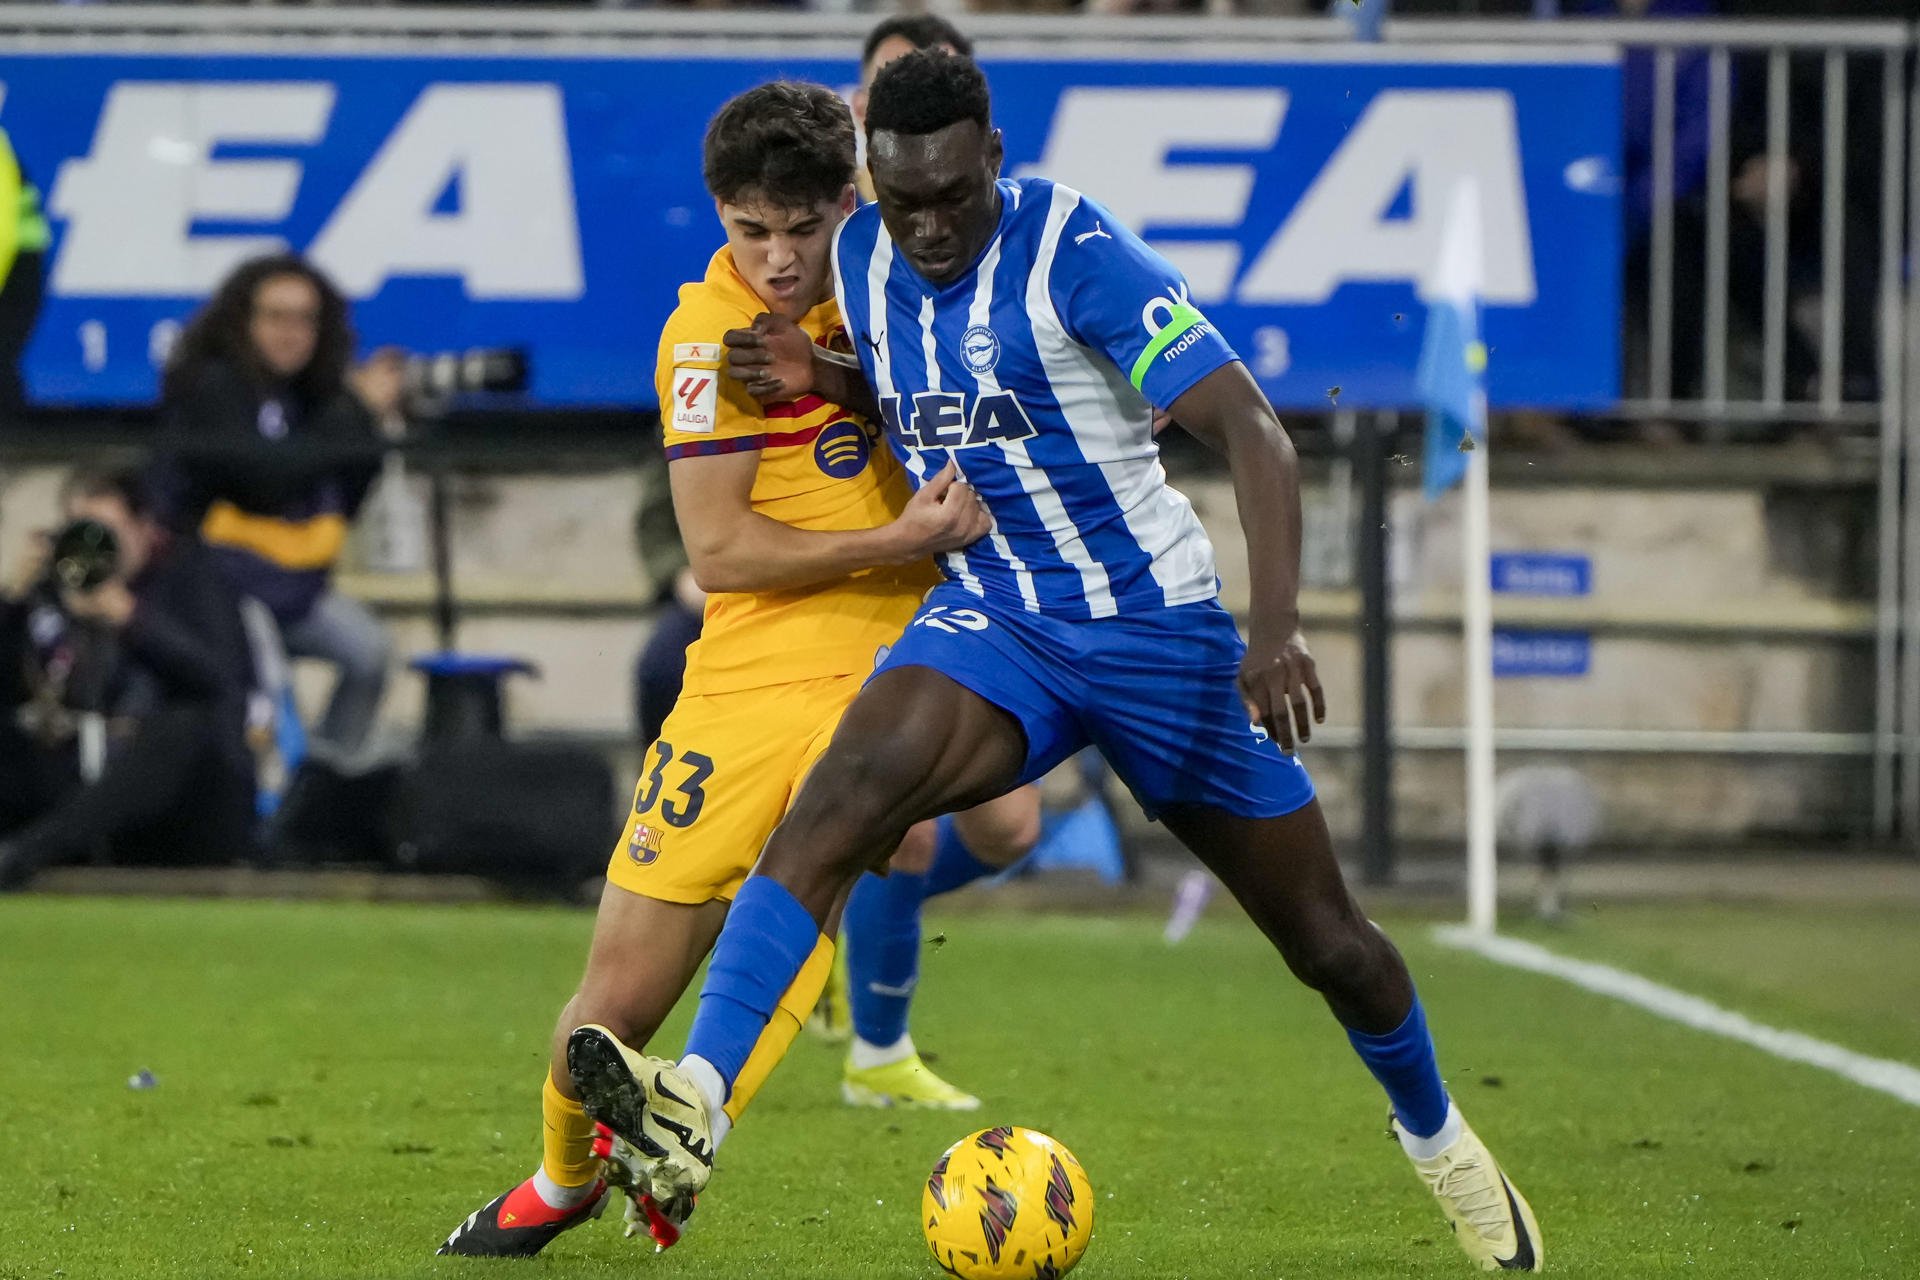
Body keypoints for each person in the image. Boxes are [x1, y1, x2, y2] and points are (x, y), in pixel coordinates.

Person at [567, 53, 1543, 1273]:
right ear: (876, 181)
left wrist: (1276, 627)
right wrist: (834, 378)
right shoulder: (862, 258)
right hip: (1002, 620)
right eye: (903, 199)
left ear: (994, 160)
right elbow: (931, 393)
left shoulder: (1075, 249)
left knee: (1328, 941)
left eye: (952, 199)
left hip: (1156, 635)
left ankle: (1440, 1136)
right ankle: (698, 1096)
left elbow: (1253, 429)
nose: (927, 227)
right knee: (840, 798)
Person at [437, 80, 999, 1259]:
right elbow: (719, 550)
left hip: (900, 658)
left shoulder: (905, 282)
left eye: (804, 228)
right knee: (614, 998)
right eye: (754, 231)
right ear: (720, 214)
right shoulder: (706, 339)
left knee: (881, 835)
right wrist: (901, 535)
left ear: (849, 202)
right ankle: (561, 1178)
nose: (782, 259)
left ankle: (716, 1101)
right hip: (742, 680)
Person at [154, 255, 397, 770]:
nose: (292, 334)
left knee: (370, 651)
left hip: (292, 583)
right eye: (276, 317)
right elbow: (267, 479)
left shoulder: (309, 400)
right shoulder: (213, 387)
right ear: (244, 319)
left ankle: (330, 774)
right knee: (272, 685)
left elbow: (347, 489)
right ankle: (278, 798)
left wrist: (369, 426)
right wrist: (354, 414)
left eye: (306, 319)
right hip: (219, 587)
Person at [0, 470, 256, 889]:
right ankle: (37, 845)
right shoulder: (51, 593)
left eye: (107, 532)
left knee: (184, 727)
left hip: (182, 799)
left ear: (142, 529)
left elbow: (220, 683)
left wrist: (130, 619)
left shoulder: (192, 577)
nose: (94, 548)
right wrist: (12, 604)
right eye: (79, 531)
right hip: (75, 778)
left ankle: (29, 853)